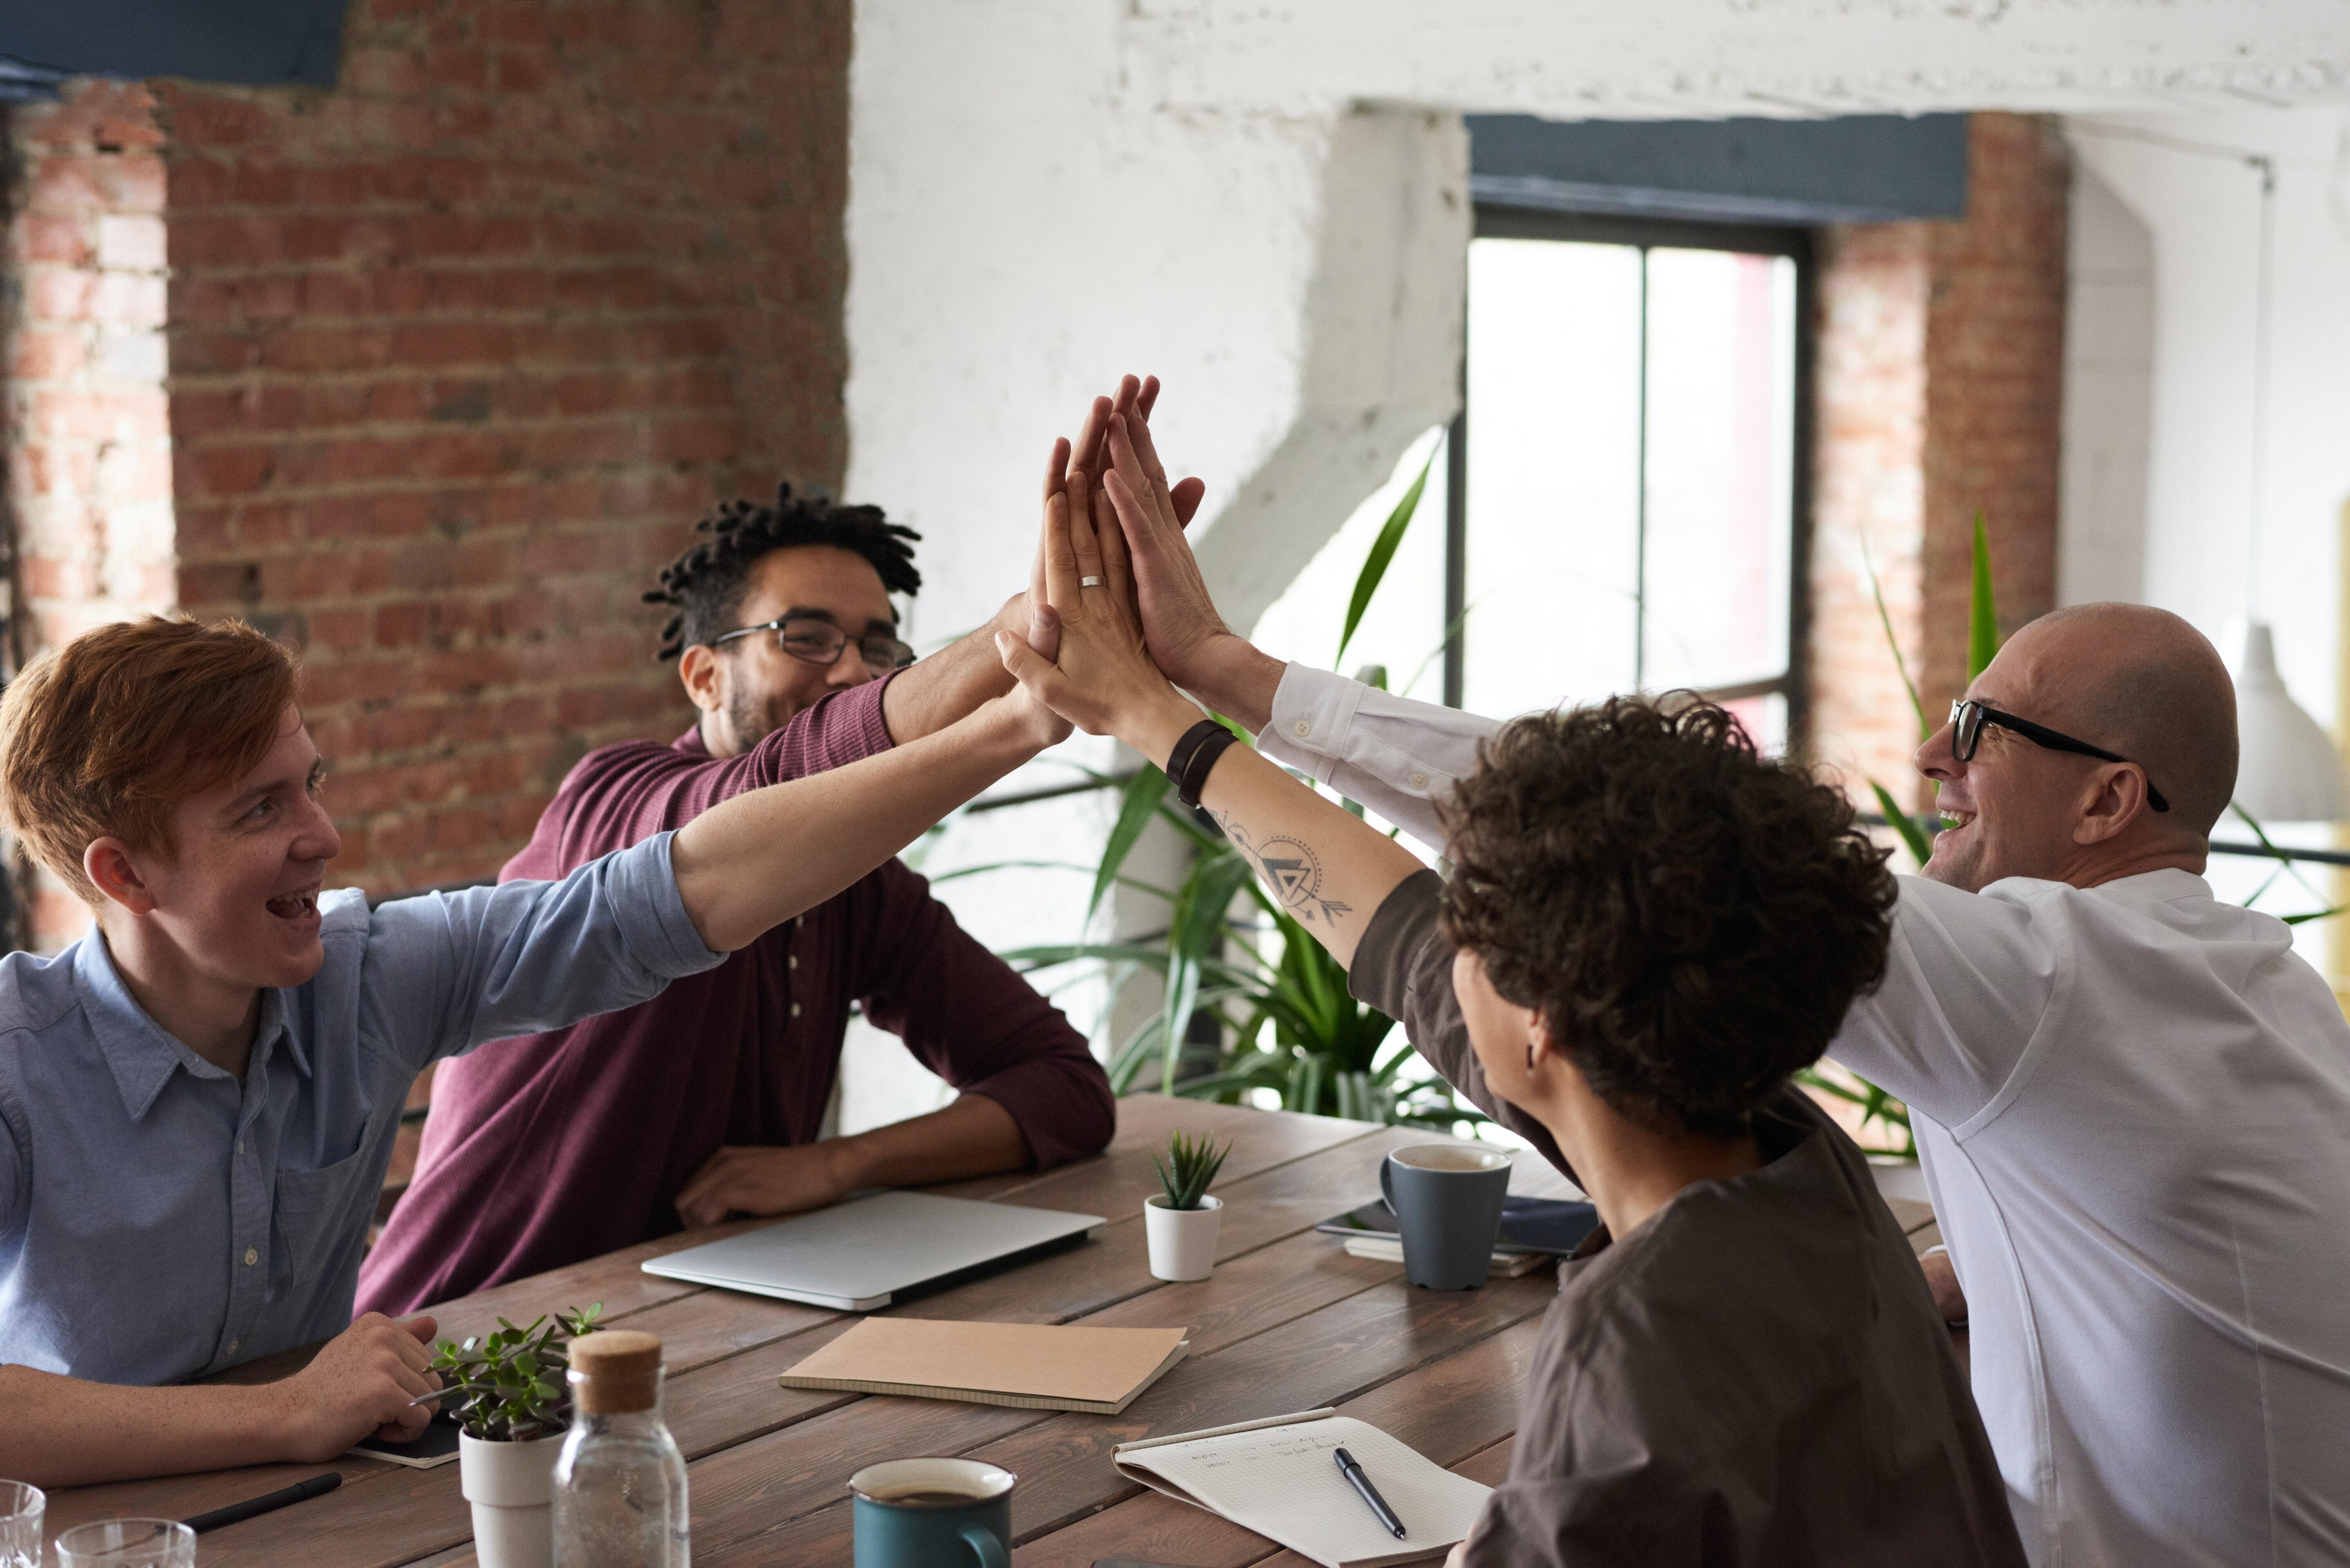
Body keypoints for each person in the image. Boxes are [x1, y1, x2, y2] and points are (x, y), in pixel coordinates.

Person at [1090, 393, 2350, 1566]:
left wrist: (1217, 684)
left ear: (2109, 799)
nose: (1928, 754)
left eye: (1977, 728)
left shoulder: (2047, 982)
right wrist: (1945, 1279)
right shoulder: (2250, 986)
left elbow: (1609, 841)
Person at [990, 434, 2026, 1565]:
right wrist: (1160, 715)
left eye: (1470, 926)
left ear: (1546, 1020)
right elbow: (1392, 934)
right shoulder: (1790, 1157)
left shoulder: (1641, 1353)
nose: (1444, 942)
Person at [0, 525, 1070, 1484]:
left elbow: (668, 896)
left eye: (313, 782)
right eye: (262, 807)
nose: (323, 836)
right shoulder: (18, 1056)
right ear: (127, 875)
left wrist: (1016, 723)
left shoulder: (369, 972)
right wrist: (281, 1413)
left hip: (336, 1508)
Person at [362, 417, 1196, 1308]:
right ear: (704, 677)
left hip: (699, 1336)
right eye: (806, 636)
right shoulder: (617, 802)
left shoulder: (859, 887)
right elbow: (779, 785)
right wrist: (1019, 639)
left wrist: (839, 1163)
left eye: (879, 649)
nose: (852, 674)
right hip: (461, 1349)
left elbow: (1063, 1087)